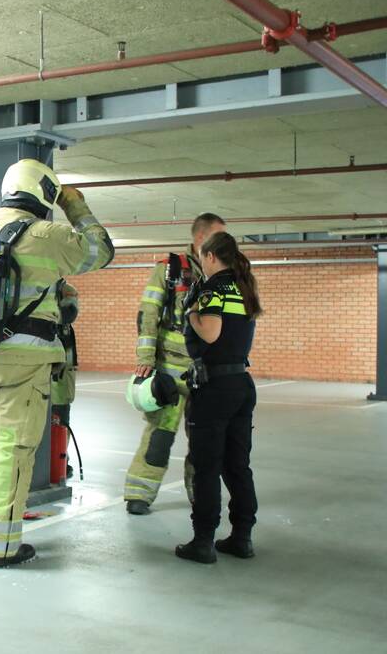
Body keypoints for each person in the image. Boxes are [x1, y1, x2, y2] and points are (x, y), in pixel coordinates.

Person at [0, 159, 113, 568]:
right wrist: (77, 207)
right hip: (25, 367)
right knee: (10, 454)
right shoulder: (51, 235)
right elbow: (102, 251)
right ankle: (2, 547)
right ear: (45, 194)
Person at [124, 213, 226, 515]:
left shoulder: (222, 275)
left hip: (206, 373)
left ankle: (200, 494)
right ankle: (139, 493)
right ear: (200, 239)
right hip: (170, 369)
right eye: (218, 236)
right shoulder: (170, 270)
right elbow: (149, 313)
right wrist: (145, 359)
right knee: (159, 436)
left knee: (204, 441)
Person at [175, 231, 261, 564]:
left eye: (200, 256)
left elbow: (210, 332)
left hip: (214, 389)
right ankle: (242, 537)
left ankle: (203, 541)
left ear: (211, 256)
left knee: (207, 466)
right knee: (237, 465)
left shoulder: (214, 289)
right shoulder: (243, 287)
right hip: (241, 383)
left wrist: (189, 313)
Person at [52, 280, 78, 479]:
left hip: (61, 371)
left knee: (60, 417)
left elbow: (69, 313)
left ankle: (59, 459)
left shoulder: (66, 290)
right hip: (37, 365)